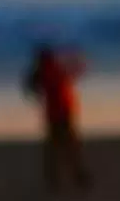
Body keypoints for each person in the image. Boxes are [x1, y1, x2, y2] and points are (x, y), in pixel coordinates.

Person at [21, 41, 89, 193]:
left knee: (55, 147)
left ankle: (57, 178)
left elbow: (31, 87)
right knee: (69, 144)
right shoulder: (58, 68)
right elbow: (77, 70)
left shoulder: (44, 72)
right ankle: (77, 175)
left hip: (55, 114)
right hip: (66, 110)